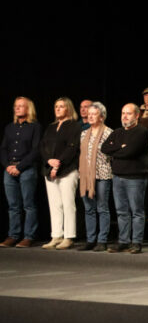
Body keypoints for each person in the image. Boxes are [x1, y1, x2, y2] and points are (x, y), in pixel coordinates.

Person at [101, 104, 148, 254]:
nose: (125, 117)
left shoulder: (141, 131)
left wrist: (116, 150)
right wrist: (120, 147)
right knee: (121, 211)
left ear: (137, 116)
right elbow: (104, 148)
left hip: (135, 177)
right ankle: (123, 241)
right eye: (123, 113)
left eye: (128, 114)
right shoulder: (117, 132)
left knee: (136, 211)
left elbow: (131, 151)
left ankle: (136, 242)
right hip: (118, 176)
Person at [40, 97, 81, 250]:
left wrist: (58, 164)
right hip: (49, 169)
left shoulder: (74, 126)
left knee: (68, 204)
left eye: (61, 106)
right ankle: (56, 235)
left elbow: (72, 147)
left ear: (68, 108)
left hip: (67, 170)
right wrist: (49, 161)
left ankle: (69, 237)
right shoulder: (51, 127)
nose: (58, 109)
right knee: (54, 204)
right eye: (56, 106)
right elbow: (42, 146)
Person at [0, 97, 42, 248]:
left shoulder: (35, 127)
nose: (17, 108)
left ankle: (29, 236)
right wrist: (7, 166)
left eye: (21, 106)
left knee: (28, 204)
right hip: (9, 169)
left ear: (28, 108)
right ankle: (13, 235)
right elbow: (3, 148)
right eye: (16, 106)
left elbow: (36, 150)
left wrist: (20, 167)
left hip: (27, 169)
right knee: (13, 205)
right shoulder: (9, 127)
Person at [77, 102, 113, 252]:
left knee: (102, 208)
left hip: (102, 174)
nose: (90, 116)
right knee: (88, 209)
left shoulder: (109, 133)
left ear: (102, 117)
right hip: (86, 176)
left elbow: (112, 154)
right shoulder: (84, 133)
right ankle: (90, 239)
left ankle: (102, 240)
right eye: (89, 114)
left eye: (94, 114)